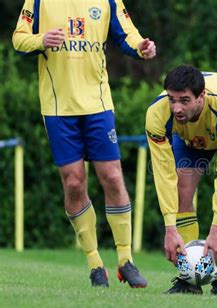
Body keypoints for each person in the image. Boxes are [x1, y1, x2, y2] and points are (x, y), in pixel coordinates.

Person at [12, 0, 156, 288]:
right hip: (57, 108)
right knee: (75, 183)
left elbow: (128, 33)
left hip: (97, 105)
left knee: (113, 177)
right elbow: (19, 38)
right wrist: (41, 39)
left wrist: (142, 46)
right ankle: (95, 264)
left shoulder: (107, 1)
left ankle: (126, 260)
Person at [146, 65, 217, 295]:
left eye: (184, 100)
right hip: (190, 135)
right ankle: (188, 280)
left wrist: (216, 229)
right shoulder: (157, 114)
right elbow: (163, 174)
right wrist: (170, 228)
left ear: (201, 96)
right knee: (181, 191)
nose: (176, 107)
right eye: (172, 99)